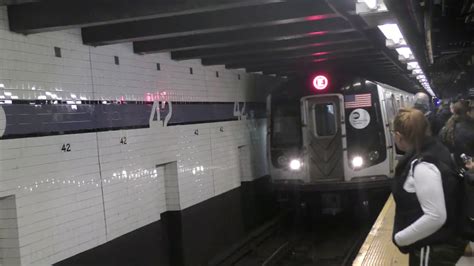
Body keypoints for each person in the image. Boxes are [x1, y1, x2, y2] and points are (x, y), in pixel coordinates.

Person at [391, 108, 467, 265]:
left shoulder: (423, 165)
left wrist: (400, 238)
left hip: (432, 248)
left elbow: (435, 216)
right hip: (440, 241)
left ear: (399, 137)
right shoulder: (435, 149)